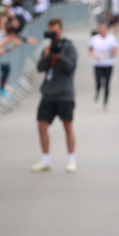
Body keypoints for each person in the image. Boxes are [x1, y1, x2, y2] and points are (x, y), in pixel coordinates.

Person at [31, 19, 78, 173]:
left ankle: (71, 159)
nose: (53, 34)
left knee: (67, 126)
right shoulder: (48, 47)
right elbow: (39, 68)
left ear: (61, 30)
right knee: (41, 126)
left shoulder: (69, 47)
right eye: (51, 31)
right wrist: (46, 56)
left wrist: (60, 57)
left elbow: (71, 67)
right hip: (48, 92)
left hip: (65, 94)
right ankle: (46, 159)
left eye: (55, 31)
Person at [88, 22, 119, 108]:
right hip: (98, 64)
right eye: (101, 29)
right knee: (98, 82)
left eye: (104, 29)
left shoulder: (112, 39)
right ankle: (97, 91)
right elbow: (90, 49)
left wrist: (111, 52)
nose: (102, 31)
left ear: (107, 30)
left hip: (108, 64)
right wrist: (94, 55)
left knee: (107, 84)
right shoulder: (94, 39)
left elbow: (116, 50)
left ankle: (105, 102)